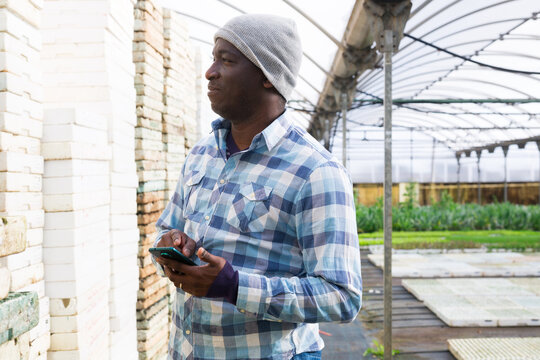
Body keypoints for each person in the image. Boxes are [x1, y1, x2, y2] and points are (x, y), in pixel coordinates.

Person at [152, 13, 362, 360]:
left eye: (227, 60)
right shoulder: (202, 154)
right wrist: (170, 244)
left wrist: (235, 287)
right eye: (213, 58)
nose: (210, 71)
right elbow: (166, 228)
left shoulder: (315, 171)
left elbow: (342, 297)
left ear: (268, 76)